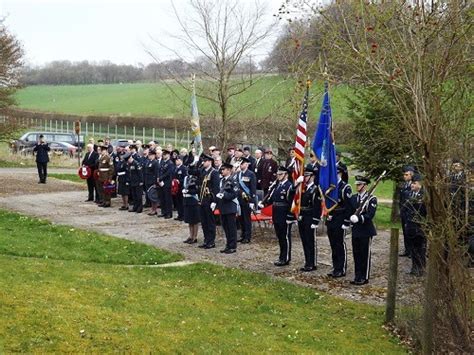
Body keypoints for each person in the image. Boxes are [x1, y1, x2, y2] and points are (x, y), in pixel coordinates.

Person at [259, 166, 295, 266]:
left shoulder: (289, 186)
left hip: (284, 213)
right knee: (280, 236)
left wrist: (290, 216)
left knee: (285, 237)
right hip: (276, 212)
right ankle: (281, 256)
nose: (278, 176)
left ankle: (286, 258)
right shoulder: (277, 185)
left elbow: (291, 203)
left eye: (281, 174)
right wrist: (264, 204)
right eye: (278, 174)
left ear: (286, 175)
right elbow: (272, 198)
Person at [347, 175, 378, 285]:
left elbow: (370, 214)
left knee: (364, 254)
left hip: (366, 230)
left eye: (359, 184)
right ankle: (357, 275)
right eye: (356, 184)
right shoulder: (354, 198)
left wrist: (359, 218)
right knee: (356, 253)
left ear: (365, 186)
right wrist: (349, 220)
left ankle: (364, 277)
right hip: (356, 230)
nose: (357, 186)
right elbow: (350, 210)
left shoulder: (371, 199)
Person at [326, 165, 353, 278]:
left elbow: (349, 206)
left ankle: (341, 268)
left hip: (340, 217)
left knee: (339, 243)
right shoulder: (330, 186)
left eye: (335, 173)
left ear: (340, 174)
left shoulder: (345, 187)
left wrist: (347, 221)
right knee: (333, 244)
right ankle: (335, 266)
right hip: (331, 217)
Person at [295, 168, 321, 272]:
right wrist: (297, 183)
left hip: (310, 216)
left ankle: (312, 263)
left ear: (312, 176)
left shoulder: (315, 189)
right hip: (302, 216)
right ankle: (307, 262)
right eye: (304, 176)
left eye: (307, 176)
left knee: (310, 241)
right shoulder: (302, 188)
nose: (305, 177)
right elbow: (293, 195)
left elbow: (317, 206)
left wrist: (315, 220)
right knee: (304, 240)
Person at [404, 173, 427, 276]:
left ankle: (421, 268)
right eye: (412, 183)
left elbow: (424, 211)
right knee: (412, 248)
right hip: (410, 225)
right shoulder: (409, 194)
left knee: (420, 248)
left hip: (420, 226)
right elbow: (405, 209)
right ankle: (414, 267)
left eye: (414, 183)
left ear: (420, 184)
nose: (412, 185)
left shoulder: (424, 196)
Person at [215, 163, 239, 254]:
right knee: (225, 227)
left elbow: (234, 194)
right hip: (223, 207)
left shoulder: (233, 180)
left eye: (224, 169)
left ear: (229, 170)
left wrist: (224, 195)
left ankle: (232, 246)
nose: (222, 171)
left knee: (231, 228)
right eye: (221, 169)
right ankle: (228, 245)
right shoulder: (222, 180)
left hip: (230, 206)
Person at [198, 154, 220, 249]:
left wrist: (214, 201)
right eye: (203, 161)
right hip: (202, 199)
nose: (203, 163)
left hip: (209, 199)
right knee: (204, 222)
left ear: (210, 162)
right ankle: (206, 240)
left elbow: (216, 188)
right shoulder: (203, 171)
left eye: (205, 161)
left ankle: (211, 241)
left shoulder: (214, 173)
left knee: (210, 222)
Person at [235, 157, 257, 244]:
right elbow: (236, 186)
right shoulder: (238, 174)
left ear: (246, 164)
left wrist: (252, 201)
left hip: (247, 199)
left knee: (246, 218)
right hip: (239, 199)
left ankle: (247, 236)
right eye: (240, 164)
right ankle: (243, 235)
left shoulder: (251, 174)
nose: (240, 165)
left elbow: (253, 188)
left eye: (242, 164)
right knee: (241, 218)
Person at [399, 165, 415, 257]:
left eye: (406, 175)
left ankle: (412, 251)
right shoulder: (404, 185)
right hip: (403, 212)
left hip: (410, 212)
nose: (404, 176)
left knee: (410, 231)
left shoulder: (413, 185)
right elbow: (401, 200)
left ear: (411, 175)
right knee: (405, 232)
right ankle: (407, 250)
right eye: (404, 175)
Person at [182, 174, 201, 244]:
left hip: (193, 201)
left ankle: (195, 237)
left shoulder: (195, 178)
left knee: (195, 220)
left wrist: (189, 191)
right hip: (186, 200)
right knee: (189, 220)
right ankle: (190, 236)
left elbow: (197, 190)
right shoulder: (186, 178)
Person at [157, 149, 175, 219]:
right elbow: (159, 171)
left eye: (165, 154)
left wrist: (161, 178)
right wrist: (158, 178)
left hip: (167, 183)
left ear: (168, 155)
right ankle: (163, 212)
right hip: (161, 182)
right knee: (162, 198)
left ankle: (169, 213)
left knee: (168, 199)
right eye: (163, 154)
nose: (164, 156)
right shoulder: (163, 162)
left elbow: (168, 173)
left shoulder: (170, 163)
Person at [143, 149, 160, 215]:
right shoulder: (148, 162)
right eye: (149, 155)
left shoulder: (155, 162)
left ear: (154, 155)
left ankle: (154, 210)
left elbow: (156, 173)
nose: (149, 156)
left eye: (151, 155)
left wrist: (156, 183)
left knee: (153, 196)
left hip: (152, 182)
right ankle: (152, 209)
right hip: (147, 180)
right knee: (150, 196)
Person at [173, 155, 188, 221]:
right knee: (178, 202)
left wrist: (179, 181)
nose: (176, 161)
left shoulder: (183, 168)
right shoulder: (175, 168)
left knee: (182, 202)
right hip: (176, 188)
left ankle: (183, 215)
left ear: (181, 161)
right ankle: (179, 214)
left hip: (181, 187)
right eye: (176, 160)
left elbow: (185, 178)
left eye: (178, 160)